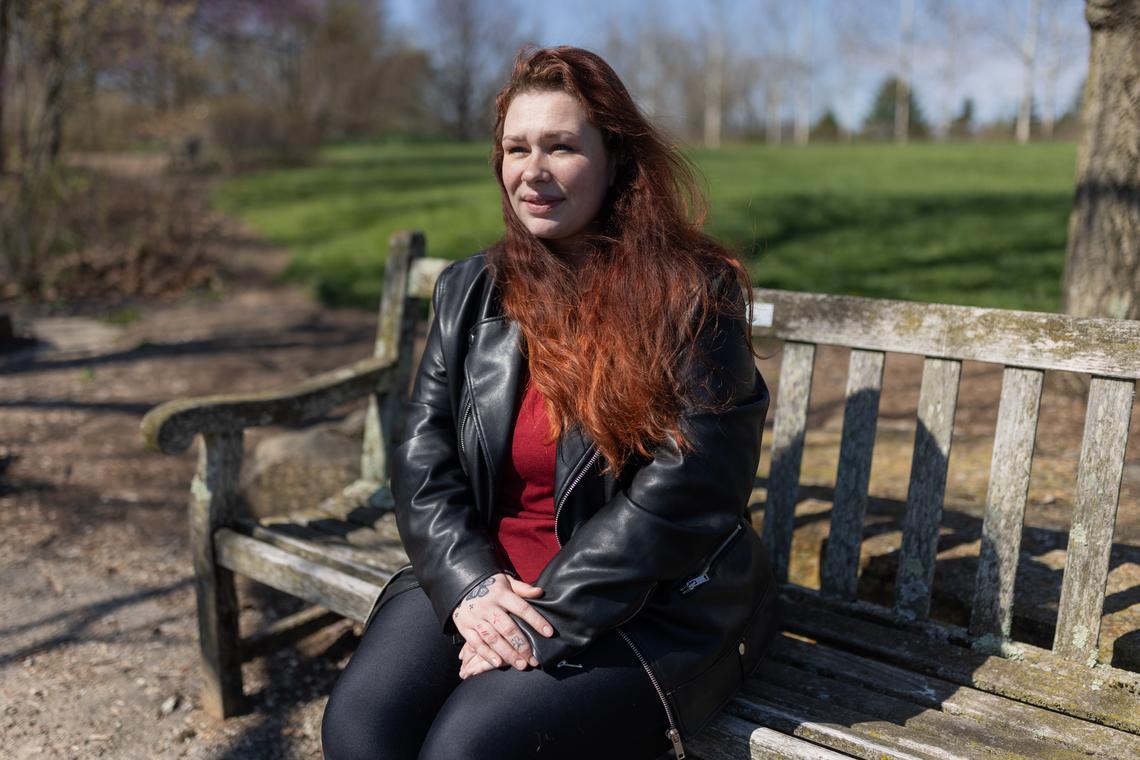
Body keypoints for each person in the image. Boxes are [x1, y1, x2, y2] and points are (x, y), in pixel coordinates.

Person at [321, 45, 778, 760]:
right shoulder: (470, 291)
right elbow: (422, 455)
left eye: (561, 146)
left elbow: (691, 490)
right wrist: (471, 587)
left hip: (647, 601)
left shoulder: (693, 293)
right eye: (517, 148)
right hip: (486, 574)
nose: (532, 171)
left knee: (466, 748)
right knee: (360, 729)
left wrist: (545, 620)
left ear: (614, 159)